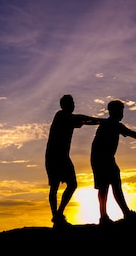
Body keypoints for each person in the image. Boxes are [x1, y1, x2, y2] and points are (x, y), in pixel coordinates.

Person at [45, 94, 101, 228]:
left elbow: (84, 121)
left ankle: (58, 215)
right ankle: (56, 216)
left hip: (62, 156)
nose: (73, 105)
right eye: (71, 103)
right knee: (55, 187)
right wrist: (99, 120)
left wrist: (98, 121)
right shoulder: (61, 116)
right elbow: (81, 119)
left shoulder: (69, 118)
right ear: (65, 105)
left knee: (72, 184)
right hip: (54, 156)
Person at [90, 99, 136, 225]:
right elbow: (130, 133)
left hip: (101, 158)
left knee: (106, 186)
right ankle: (122, 215)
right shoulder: (112, 124)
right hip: (103, 159)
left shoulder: (109, 123)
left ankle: (107, 216)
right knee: (111, 185)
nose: (122, 114)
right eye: (121, 111)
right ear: (114, 111)